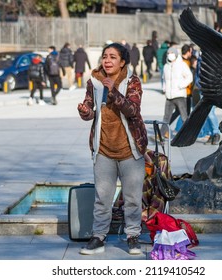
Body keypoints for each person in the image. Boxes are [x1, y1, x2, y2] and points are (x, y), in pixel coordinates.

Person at [77, 43, 148, 255]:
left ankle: (133, 236)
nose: (107, 60)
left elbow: (133, 110)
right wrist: (85, 111)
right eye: (105, 56)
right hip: (104, 150)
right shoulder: (94, 82)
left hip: (130, 150)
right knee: (102, 197)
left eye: (113, 57)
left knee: (133, 197)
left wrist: (113, 90)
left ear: (122, 62)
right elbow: (90, 109)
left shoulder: (132, 81)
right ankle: (98, 238)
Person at [160, 47, 193, 138]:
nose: (170, 54)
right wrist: (164, 88)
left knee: (184, 117)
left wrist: (181, 85)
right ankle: (162, 134)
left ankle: (187, 135)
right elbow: (164, 79)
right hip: (169, 96)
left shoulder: (182, 65)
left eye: (172, 53)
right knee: (166, 117)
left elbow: (189, 77)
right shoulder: (166, 66)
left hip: (179, 95)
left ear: (175, 54)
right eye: (168, 53)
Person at [171, 44, 194, 132]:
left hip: (186, 92)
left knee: (180, 112)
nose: (191, 53)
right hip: (184, 92)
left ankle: (167, 129)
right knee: (183, 112)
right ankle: (184, 132)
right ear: (187, 52)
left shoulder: (185, 61)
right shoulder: (183, 63)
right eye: (190, 52)